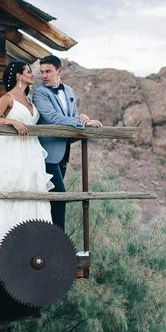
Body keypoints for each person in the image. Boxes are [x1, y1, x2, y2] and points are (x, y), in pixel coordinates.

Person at [0, 61, 53, 252]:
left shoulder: (30, 99)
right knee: (10, 188)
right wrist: (11, 121)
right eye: (29, 72)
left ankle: (31, 241)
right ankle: (5, 241)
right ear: (19, 76)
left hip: (31, 151)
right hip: (11, 150)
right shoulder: (8, 98)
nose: (33, 75)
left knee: (31, 190)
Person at [31, 55, 102, 230]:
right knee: (59, 196)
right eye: (42, 72)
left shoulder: (69, 91)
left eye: (48, 71)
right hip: (46, 153)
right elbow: (54, 118)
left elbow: (69, 116)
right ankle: (59, 240)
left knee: (53, 198)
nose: (44, 75)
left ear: (59, 71)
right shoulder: (40, 93)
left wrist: (82, 118)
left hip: (63, 152)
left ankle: (50, 239)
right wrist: (80, 123)